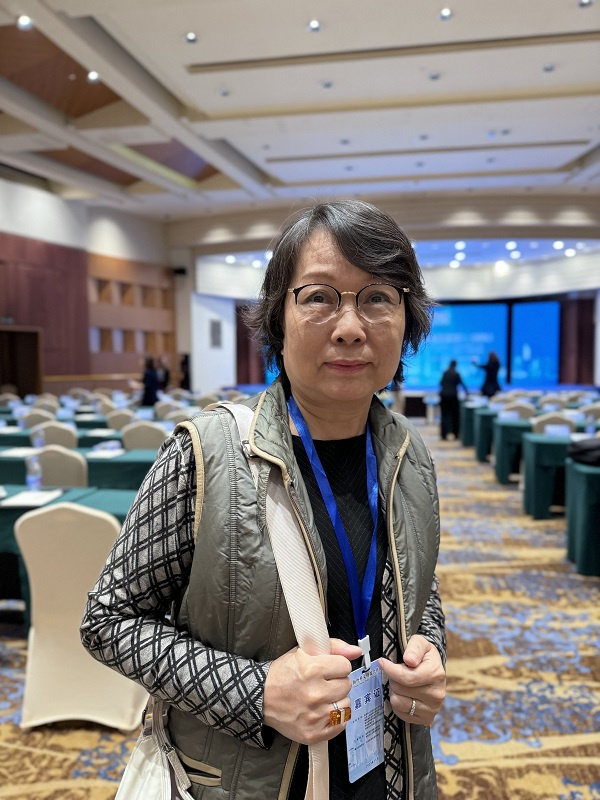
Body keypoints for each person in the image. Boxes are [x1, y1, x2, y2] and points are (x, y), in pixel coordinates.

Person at [80, 201, 446, 800]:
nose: (350, 327)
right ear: (278, 318)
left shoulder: (410, 455)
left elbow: (419, 586)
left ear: (408, 321)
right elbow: (107, 620)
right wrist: (256, 693)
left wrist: (430, 649)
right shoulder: (204, 452)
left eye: (378, 297)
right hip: (247, 779)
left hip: (387, 769)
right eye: (319, 297)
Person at [439, 359, 468, 440]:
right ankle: (455, 434)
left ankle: (443, 435)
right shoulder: (456, 374)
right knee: (455, 416)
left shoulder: (445, 373)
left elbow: (441, 383)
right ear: (455, 365)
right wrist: (467, 393)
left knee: (444, 416)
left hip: (444, 396)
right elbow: (462, 384)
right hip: (453, 396)